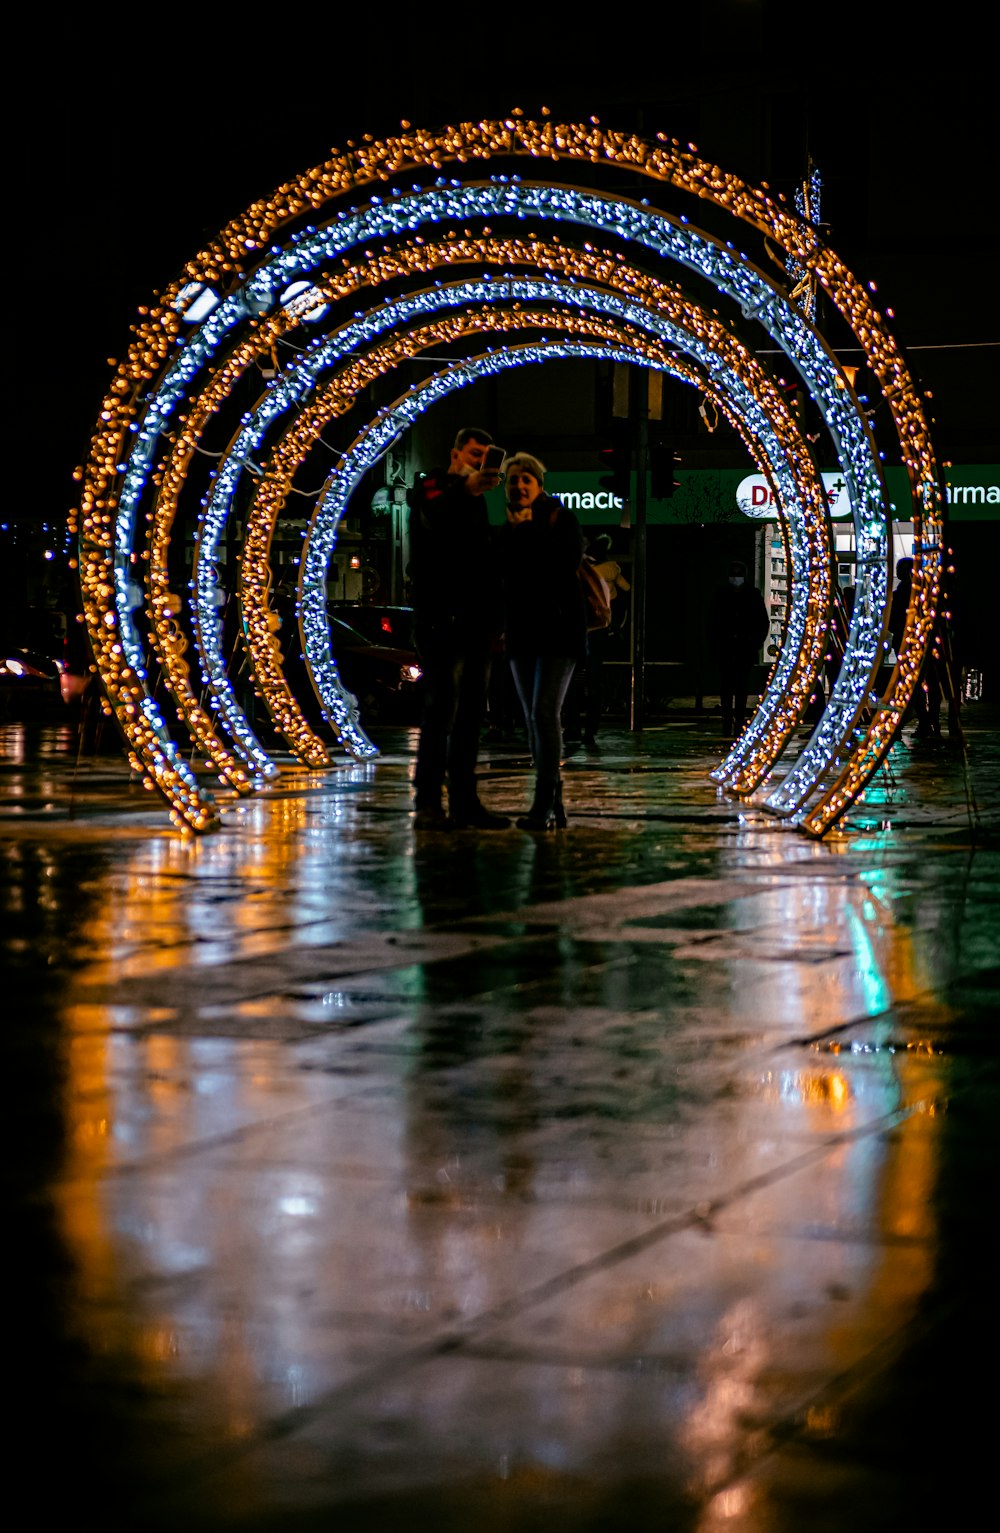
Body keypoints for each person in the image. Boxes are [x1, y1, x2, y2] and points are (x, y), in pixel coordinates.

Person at [407, 427, 509, 830]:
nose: (479, 461)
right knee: (441, 710)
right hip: (441, 618)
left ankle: (464, 801)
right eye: (474, 453)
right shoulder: (434, 487)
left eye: (485, 456)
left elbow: (486, 563)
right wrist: (466, 487)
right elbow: (433, 514)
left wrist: (494, 619)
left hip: (475, 620)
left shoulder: (478, 503)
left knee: (469, 714)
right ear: (455, 454)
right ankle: (429, 801)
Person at [498, 453, 587, 830]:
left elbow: (563, 564)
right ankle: (554, 799)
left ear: (539, 485)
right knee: (533, 718)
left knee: (544, 712)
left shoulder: (559, 518)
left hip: (558, 630)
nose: (519, 486)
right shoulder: (506, 525)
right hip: (522, 632)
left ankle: (542, 804)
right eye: (513, 481)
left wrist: (526, 531)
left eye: (526, 480)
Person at [706, 558, 770, 738]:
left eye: (738, 575)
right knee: (728, 687)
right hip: (729, 648)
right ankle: (729, 720)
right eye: (733, 575)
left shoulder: (751, 595)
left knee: (739, 687)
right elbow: (712, 623)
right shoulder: (723, 595)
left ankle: (738, 720)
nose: (736, 578)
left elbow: (762, 622)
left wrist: (753, 642)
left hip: (743, 648)